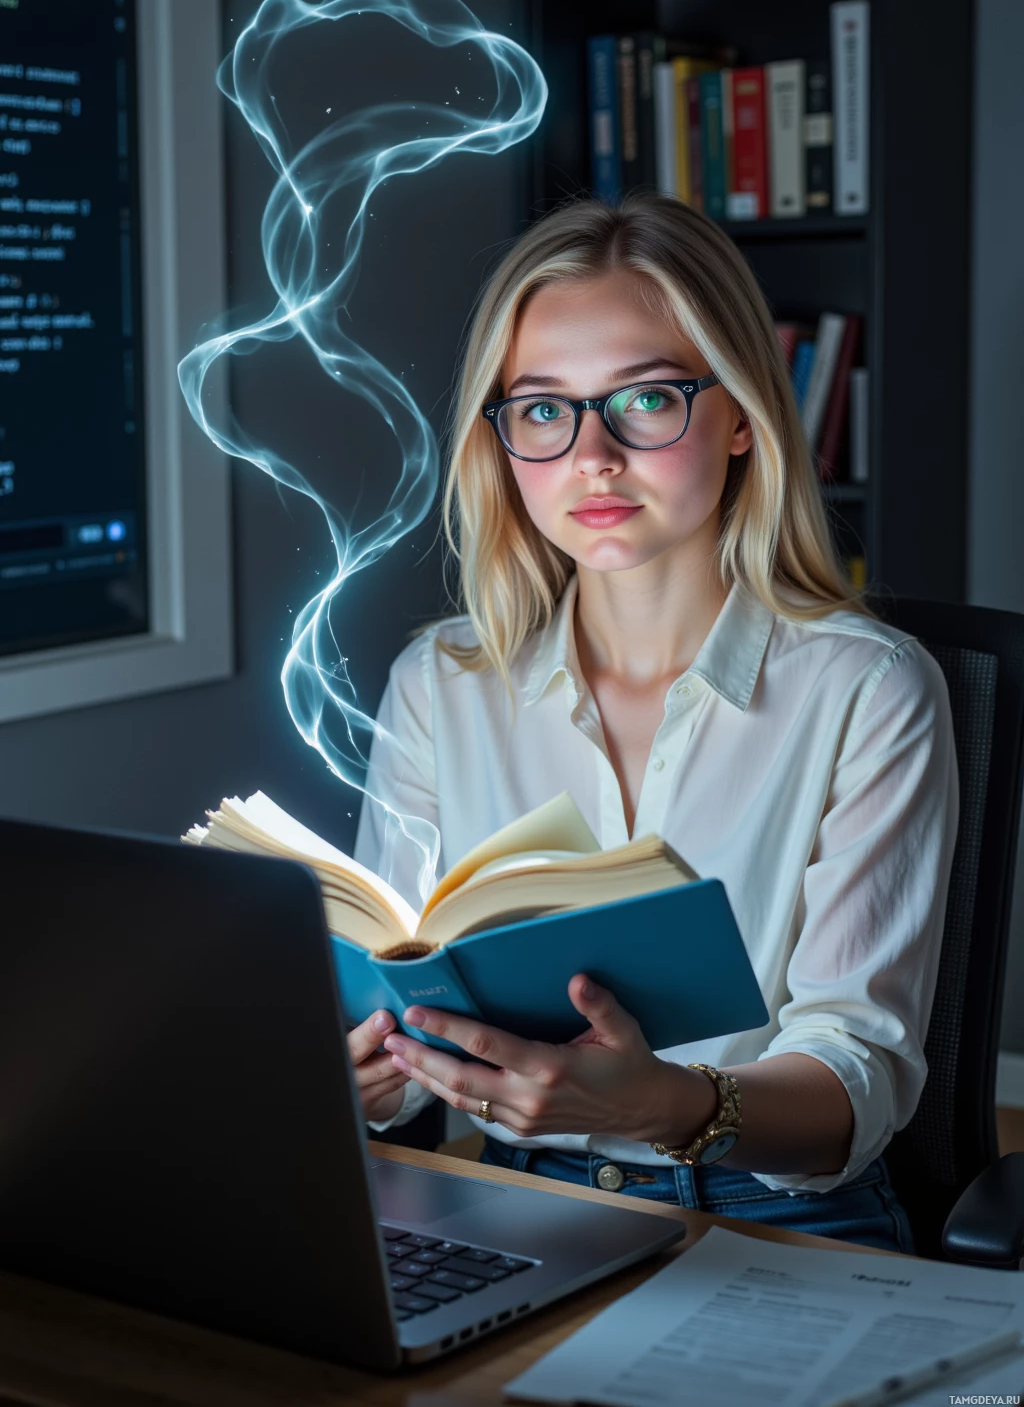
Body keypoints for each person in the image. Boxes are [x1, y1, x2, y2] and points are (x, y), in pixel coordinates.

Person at [346, 193, 958, 1253]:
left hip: (770, 1213)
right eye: (544, 410)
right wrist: (370, 1074)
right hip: (514, 1197)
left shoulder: (868, 689)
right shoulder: (440, 685)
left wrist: (663, 1105)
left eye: (645, 399)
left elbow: (856, 1079)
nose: (592, 455)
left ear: (740, 416)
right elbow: (394, 1012)